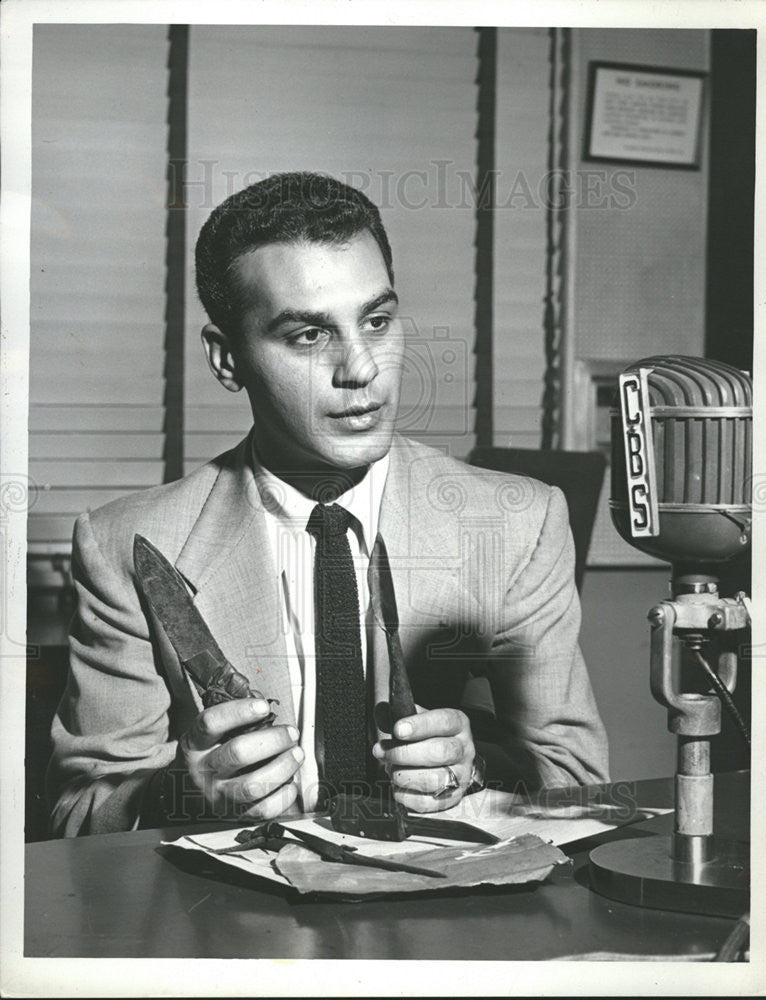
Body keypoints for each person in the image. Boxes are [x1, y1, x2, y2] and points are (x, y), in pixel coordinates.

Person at [47, 172, 609, 837]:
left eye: (376, 321)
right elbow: (74, 816)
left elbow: (579, 780)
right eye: (310, 337)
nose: (363, 368)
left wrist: (477, 767)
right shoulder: (127, 546)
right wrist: (181, 794)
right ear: (227, 360)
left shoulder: (520, 522)